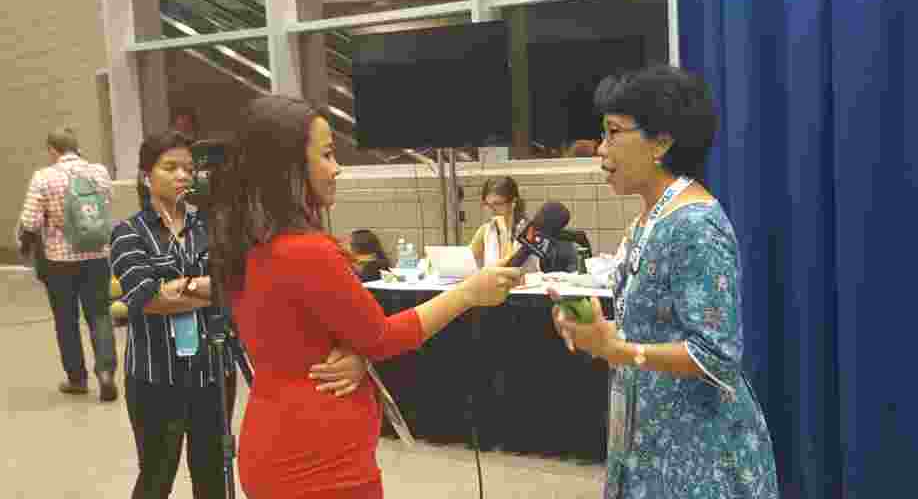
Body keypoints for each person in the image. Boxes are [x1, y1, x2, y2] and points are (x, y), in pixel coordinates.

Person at [207, 95, 523, 499]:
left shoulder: (246, 243)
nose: (337, 168)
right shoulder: (305, 250)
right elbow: (382, 336)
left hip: (278, 445)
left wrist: (359, 353)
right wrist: (467, 293)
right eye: (326, 155)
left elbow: (303, 337)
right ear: (288, 167)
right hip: (318, 467)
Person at [549, 66, 779, 498]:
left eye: (614, 133)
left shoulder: (695, 224)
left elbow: (716, 354)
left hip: (699, 453)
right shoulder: (647, 219)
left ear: (662, 142)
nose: (601, 149)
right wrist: (597, 334)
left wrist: (619, 349)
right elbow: (655, 332)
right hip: (650, 436)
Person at [109, 130, 368, 499]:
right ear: (145, 176)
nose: (183, 176)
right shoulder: (127, 233)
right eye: (170, 168)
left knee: (214, 473)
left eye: (188, 169)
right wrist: (209, 289)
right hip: (156, 377)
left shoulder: (212, 225)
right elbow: (146, 297)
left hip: (213, 372)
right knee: (156, 476)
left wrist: (187, 287)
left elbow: (245, 281)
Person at [16, 126, 118, 401]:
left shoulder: (44, 177)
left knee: (66, 319)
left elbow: (31, 221)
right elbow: (106, 204)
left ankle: (77, 379)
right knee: (99, 314)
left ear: (53, 149)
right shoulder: (99, 172)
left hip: (59, 260)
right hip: (97, 256)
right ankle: (107, 373)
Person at [468, 176, 538, 271]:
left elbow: (509, 266)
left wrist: (504, 230)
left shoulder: (528, 230)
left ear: (513, 202)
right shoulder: (486, 229)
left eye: (497, 204)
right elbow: (468, 259)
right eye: (487, 204)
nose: (491, 210)